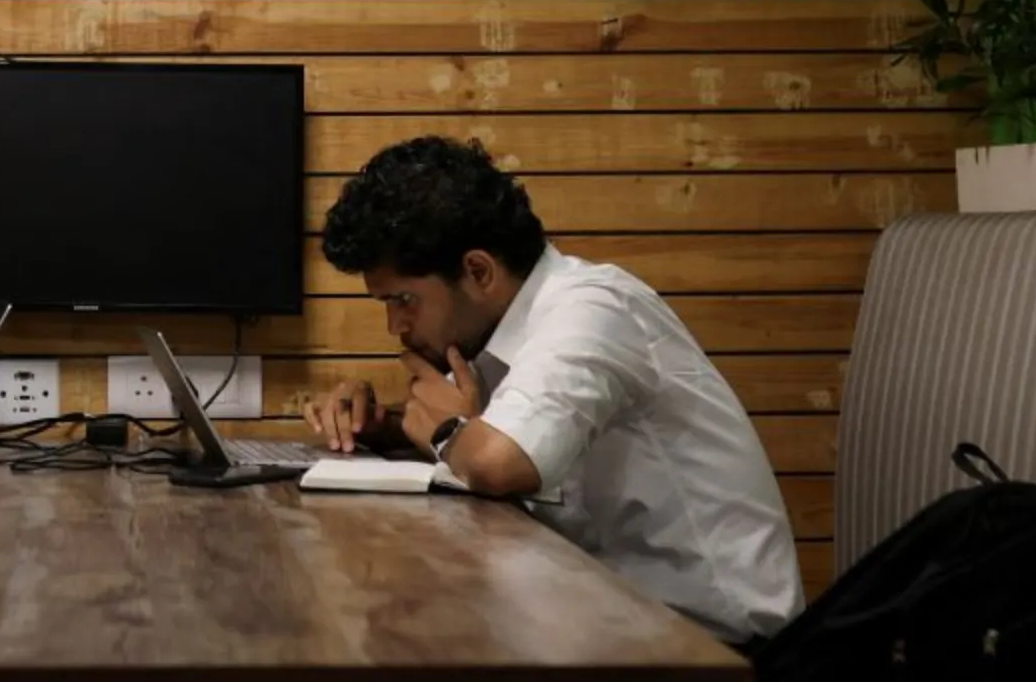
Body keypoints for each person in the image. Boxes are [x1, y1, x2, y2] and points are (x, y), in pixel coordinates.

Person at [301, 135, 802, 646]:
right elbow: (477, 438)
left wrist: (449, 429)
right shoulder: (492, 335)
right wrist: (386, 428)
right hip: (604, 619)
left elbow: (496, 462)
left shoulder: (592, 310)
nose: (395, 326)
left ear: (478, 271)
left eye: (404, 299)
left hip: (714, 656)